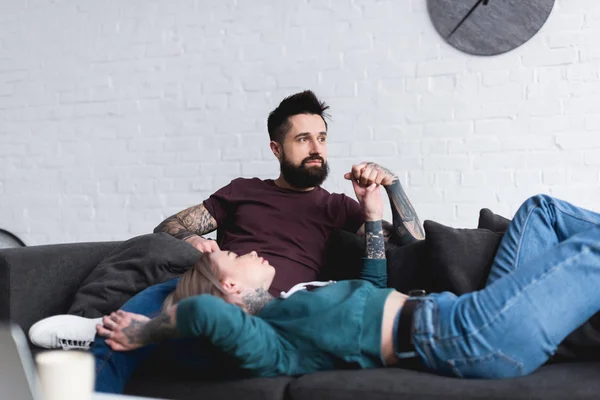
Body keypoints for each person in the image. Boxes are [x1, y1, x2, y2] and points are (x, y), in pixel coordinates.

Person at [90, 90, 424, 393]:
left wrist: (392, 186)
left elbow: (413, 245)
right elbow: (167, 226)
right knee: (144, 306)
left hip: (271, 310)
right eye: (303, 139)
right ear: (276, 149)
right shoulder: (244, 191)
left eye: (321, 138)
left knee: (185, 328)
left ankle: (118, 335)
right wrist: (192, 238)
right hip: (215, 284)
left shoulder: (336, 206)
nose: (316, 149)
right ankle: (93, 348)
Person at [98, 184, 600, 379]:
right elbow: (203, 314)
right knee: (590, 252)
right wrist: (146, 329)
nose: (248, 250)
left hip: (473, 312)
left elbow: (374, 285)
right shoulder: (273, 342)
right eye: (233, 255)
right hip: (469, 335)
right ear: (229, 289)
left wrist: (373, 215)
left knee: (542, 212)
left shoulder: (295, 300)